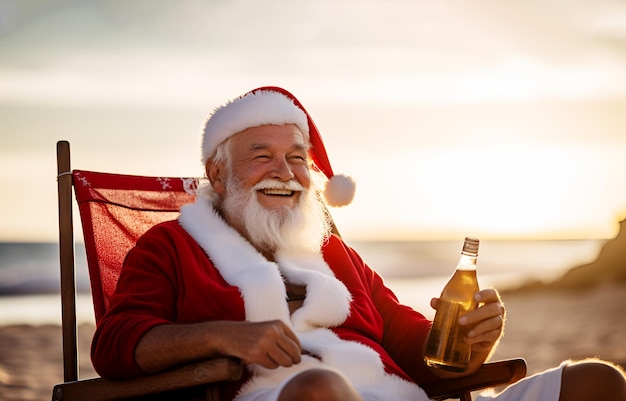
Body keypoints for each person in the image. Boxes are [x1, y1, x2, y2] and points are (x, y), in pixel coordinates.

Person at [91, 86, 626, 401]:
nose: (286, 172)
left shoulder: (332, 254)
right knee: (319, 389)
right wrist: (225, 336)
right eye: (262, 155)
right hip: (290, 398)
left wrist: (463, 341)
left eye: (297, 157)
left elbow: (415, 347)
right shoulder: (171, 248)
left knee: (595, 382)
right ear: (217, 169)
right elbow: (114, 345)